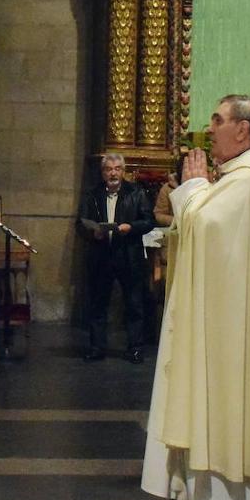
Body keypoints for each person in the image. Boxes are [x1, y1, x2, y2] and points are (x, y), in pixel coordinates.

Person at [142, 95, 250, 500]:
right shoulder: (243, 177)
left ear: (242, 129)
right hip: (231, 318)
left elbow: (208, 228)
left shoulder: (247, 179)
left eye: (218, 119)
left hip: (234, 331)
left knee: (229, 410)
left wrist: (192, 189)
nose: (210, 128)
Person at [77, 152, 154, 363]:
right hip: (101, 256)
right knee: (98, 304)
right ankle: (96, 347)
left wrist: (131, 227)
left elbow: (149, 221)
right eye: (109, 169)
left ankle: (135, 348)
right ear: (103, 172)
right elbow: (80, 224)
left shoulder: (136, 193)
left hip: (128, 255)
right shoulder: (92, 195)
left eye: (117, 169)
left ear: (123, 171)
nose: (113, 173)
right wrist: (93, 232)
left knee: (134, 303)